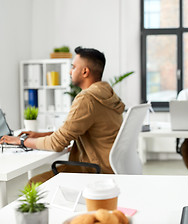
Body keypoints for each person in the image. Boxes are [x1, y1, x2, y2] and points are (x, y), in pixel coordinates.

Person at [0, 46, 125, 183]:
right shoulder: (106, 94)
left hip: (93, 170)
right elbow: (72, 131)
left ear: (85, 71)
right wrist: (40, 135)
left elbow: (56, 144)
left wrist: (21, 141)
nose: (70, 71)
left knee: (34, 184)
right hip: (109, 166)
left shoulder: (87, 98)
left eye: (73, 67)